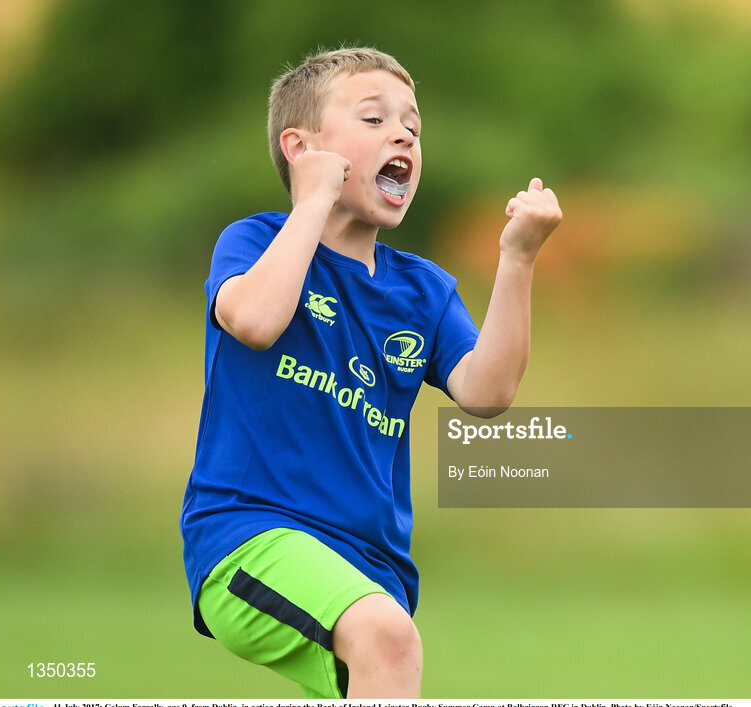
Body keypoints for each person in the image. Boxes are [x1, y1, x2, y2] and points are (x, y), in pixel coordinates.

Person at [180, 46, 561, 698]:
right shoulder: (253, 242)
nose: (404, 134)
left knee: (384, 647)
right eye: (375, 118)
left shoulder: (423, 290)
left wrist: (517, 258)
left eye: (413, 124)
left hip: (371, 568)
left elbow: (488, 391)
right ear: (302, 148)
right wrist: (312, 200)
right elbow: (255, 319)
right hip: (249, 536)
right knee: (387, 637)